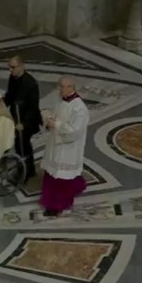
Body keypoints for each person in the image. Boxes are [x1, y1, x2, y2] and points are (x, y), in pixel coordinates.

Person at [39, 76, 89, 217]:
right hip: (55, 143)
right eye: (59, 86)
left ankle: (57, 205)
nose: (59, 89)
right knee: (52, 172)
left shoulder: (80, 108)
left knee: (62, 176)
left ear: (71, 88)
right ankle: (51, 197)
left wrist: (56, 124)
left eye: (61, 87)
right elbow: (48, 110)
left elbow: (74, 131)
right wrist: (47, 118)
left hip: (68, 148)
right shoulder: (59, 98)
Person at [4, 56, 41, 179]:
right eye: (9, 67)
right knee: (18, 145)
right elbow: (10, 96)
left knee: (24, 145)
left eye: (13, 67)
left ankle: (27, 171)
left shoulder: (31, 83)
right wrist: (1, 106)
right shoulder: (12, 78)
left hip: (27, 120)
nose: (10, 70)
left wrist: (24, 124)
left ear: (21, 66)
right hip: (16, 116)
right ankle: (23, 168)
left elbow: (33, 107)